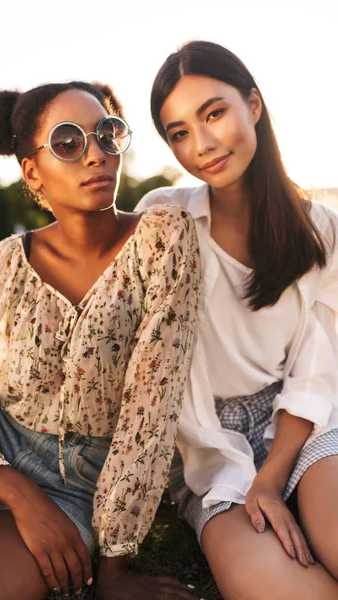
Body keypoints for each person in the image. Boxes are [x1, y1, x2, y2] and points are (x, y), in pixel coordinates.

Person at [0, 80, 202, 600]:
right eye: (68, 142)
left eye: (108, 134)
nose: (96, 154)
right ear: (31, 169)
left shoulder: (164, 239)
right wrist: (11, 487)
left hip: (78, 483)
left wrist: (115, 560)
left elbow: (151, 408)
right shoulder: (7, 261)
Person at [135, 40, 338, 599]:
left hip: (302, 424)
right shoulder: (165, 218)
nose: (201, 145)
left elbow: (316, 371)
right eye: (178, 132)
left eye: (214, 113)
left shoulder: (322, 229)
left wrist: (273, 479)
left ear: (254, 104)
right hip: (207, 444)